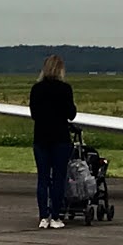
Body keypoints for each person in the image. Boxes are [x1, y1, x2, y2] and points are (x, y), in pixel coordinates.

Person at [28, 54, 77, 229]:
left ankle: (43, 216)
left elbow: (34, 114)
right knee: (58, 178)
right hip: (60, 138)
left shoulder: (36, 89)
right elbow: (71, 114)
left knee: (42, 178)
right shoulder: (65, 89)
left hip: (41, 138)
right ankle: (56, 216)